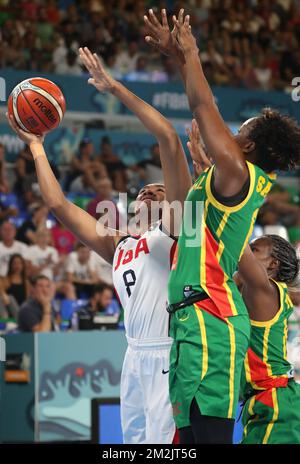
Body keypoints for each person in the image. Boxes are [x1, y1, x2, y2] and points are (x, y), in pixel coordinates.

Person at [7, 43, 191, 444]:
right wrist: (37, 147)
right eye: (143, 190)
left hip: (169, 353)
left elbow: (168, 140)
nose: (147, 192)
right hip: (133, 355)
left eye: (157, 191)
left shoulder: (178, 230)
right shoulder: (119, 244)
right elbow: (57, 203)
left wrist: (115, 88)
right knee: (133, 445)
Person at [144, 9, 300, 443]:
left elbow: (202, 104)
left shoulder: (238, 172)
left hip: (212, 319)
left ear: (246, 146)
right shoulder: (228, 179)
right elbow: (200, 226)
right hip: (196, 316)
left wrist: (188, 54)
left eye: (238, 130)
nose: (227, 132)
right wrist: (186, 185)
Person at [236, 236, 300, 444]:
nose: (248, 252)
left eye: (254, 250)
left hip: (275, 401)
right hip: (267, 400)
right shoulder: (264, 291)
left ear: (273, 264)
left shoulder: (264, 289)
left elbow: (237, 247)